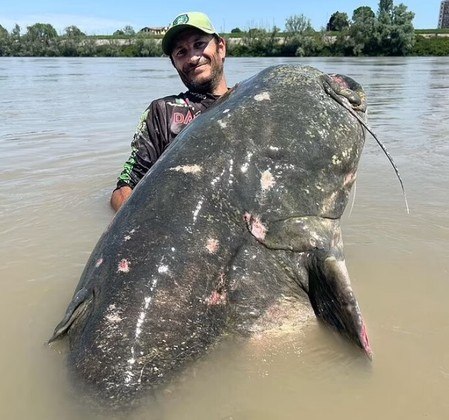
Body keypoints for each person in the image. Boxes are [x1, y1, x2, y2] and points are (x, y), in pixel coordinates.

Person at [110, 11, 228, 211]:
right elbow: (124, 188)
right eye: (181, 52)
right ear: (175, 64)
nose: (192, 58)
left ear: (221, 48)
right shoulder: (162, 112)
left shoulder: (253, 101)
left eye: (199, 44)